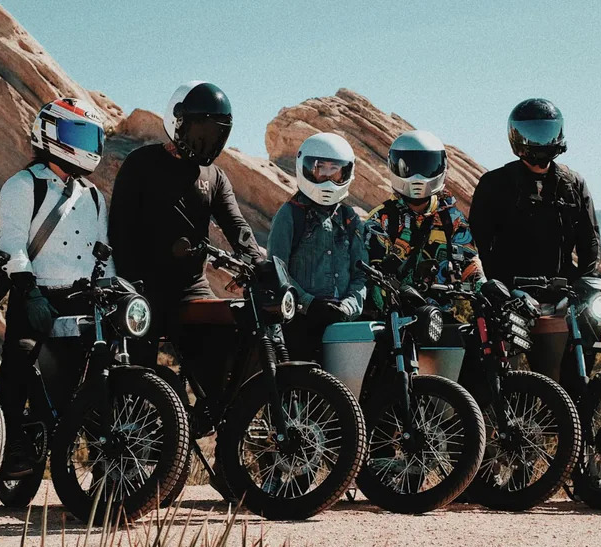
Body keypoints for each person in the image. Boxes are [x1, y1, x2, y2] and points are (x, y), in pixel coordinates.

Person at [109, 81, 259, 396]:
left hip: (192, 287)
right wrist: (129, 287)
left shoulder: (214, 177)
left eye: (216, 134)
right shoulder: (141, 164)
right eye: (201, 132)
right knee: (135, 379)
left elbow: (237, 226)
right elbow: (119, 232)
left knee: (227, 345)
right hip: (143, 286)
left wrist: (258, 263)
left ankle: (212, 420)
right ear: (178, 122)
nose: (207, 142)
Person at [0, 97, 111, 454]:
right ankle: (11, 441)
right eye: (76, 134)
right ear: (49, 132)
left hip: (79, 299)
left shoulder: (93, 196)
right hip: (35, 293)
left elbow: (103, 252)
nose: (84, 146)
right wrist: (29, 294)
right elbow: (11, 245)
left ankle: (101, 454)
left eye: (90, 137)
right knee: (21, 358)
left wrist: (109, 290)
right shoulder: (23, 184)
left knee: (91, 376)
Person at [468, 98, 601, 286]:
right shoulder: (494, 184)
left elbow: (590, 241)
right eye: (533, 133)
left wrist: (587, 284)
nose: (541, 141)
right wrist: (491, 286)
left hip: (563, 291)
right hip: (508, 294)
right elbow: (478, 240)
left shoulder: (574, 184)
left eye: (547, 132)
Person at [266, 132, 367, 362]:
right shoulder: (290, 214)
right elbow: (277, 271)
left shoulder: (349, 217)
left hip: (342, 326)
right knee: (302, 388)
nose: (329, 179)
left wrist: (348, 307)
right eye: (322, 170)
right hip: (300, 324)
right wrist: (310, 305)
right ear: (307, 168)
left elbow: (362, 274)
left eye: (336, 171)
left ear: (347, 173)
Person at [365, 130, 483, 312]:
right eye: (410, 167)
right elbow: (370, 279)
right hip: (397, 321)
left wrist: (486, 291)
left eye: (426, 166)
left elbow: (472, 269)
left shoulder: (452, 219)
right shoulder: (381, 219)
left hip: (447, 320)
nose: (417, 177)